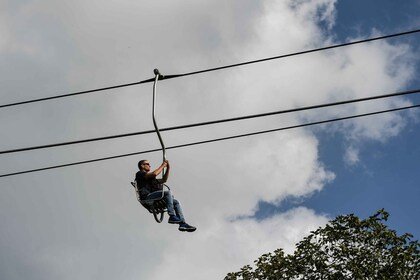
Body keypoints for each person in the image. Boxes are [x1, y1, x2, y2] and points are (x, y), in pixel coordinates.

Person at [135, 159, 196, 232]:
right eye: (147, 164)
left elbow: (164, 180)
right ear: (142, 166)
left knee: (176, 202)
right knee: (167, 193)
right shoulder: (140, 174)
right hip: (147, 197)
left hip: (154, 197)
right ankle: (172, 215)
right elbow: (154, 173)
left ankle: (182, 223)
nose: (149, 165)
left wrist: (168, 168)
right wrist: (162, 166)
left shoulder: (151, 179)